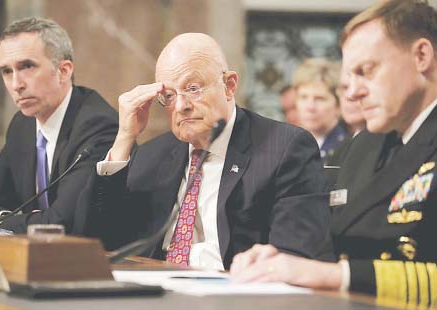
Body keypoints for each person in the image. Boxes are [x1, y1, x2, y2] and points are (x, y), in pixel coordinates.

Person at [230, 0, 437, 308]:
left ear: (421, 55)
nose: (354, 92)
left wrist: (336, 276)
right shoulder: (359, 147)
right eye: (349, 77)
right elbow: (332, 240)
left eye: (366, 71)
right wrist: (282, 258)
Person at [81, 33, 333, 270]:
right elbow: (102, 240)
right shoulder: (152, 156)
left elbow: (295, 255)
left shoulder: (283, 149)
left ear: (229, 85)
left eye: (193, 88)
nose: (180, 106)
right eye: (168, 95)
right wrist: (125, 137)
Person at [0, 17, 118, 234]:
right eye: (7, 71)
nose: (16, 84)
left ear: (63, 71)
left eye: (27, 66)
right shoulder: (22, 125)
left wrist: (0, 221)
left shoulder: (98, 125)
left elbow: (62, 223)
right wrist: (21, 220)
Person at [293, 58, 348, 164]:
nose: (310, 107)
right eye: (303, 97)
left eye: (319, 98)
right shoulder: (289, 146)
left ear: (338, 104)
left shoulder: (347, 150)